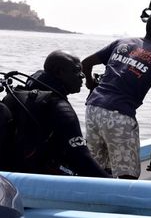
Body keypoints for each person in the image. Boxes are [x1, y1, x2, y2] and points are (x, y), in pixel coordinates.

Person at [82, 13, 151, 179]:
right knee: (127, 178)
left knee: (96, 172)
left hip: (93, 109)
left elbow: (85, 63)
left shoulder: (122, 42)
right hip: (119, 116)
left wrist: (90, 83)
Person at [0, 50, 110, 178]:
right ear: (59, 72)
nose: (82, 76)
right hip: (38, 177)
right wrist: (114, 183)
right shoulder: (60, 109)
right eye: (76, 70)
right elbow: (83, 161)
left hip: (9, 173)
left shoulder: (15, 96)